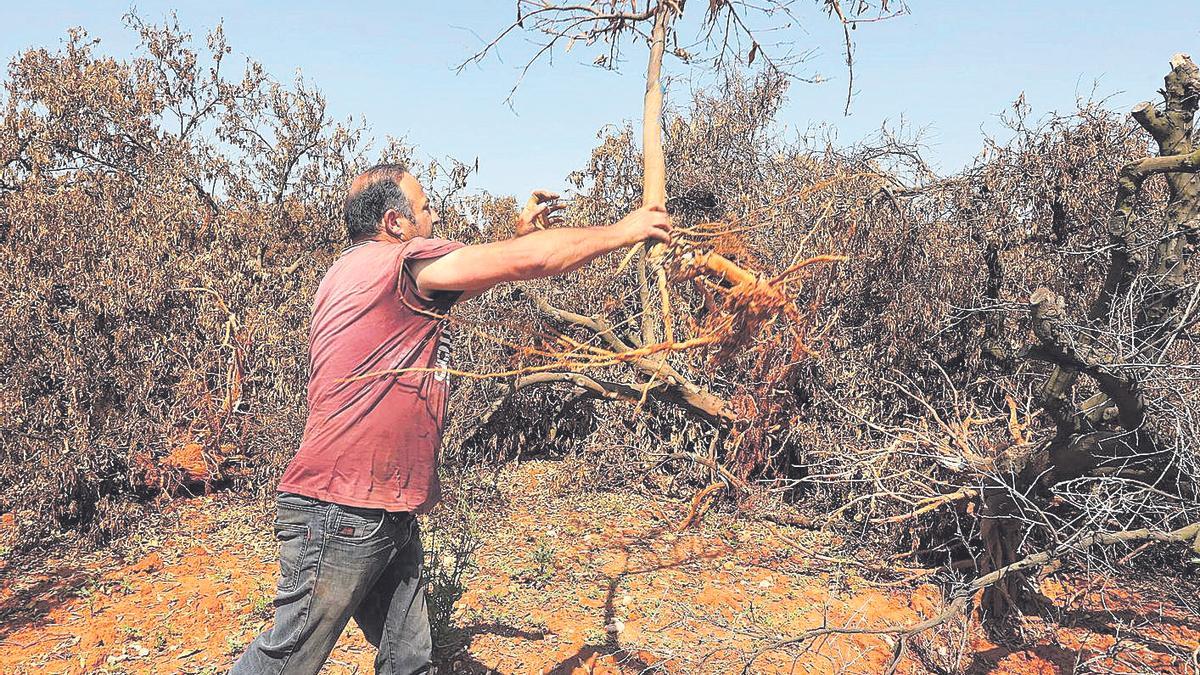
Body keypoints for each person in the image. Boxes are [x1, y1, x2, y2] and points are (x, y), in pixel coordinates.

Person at [231, 163, 671, 674]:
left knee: (409, 657)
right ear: (395, 223)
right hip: (343, 510)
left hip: (379, 506)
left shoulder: (349, 273)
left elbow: (482, 270)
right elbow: (525, 265)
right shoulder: (400, 263)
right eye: (424, 207)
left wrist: (515, 238)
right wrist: (624, 230)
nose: (434, 213)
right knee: (286, 661)